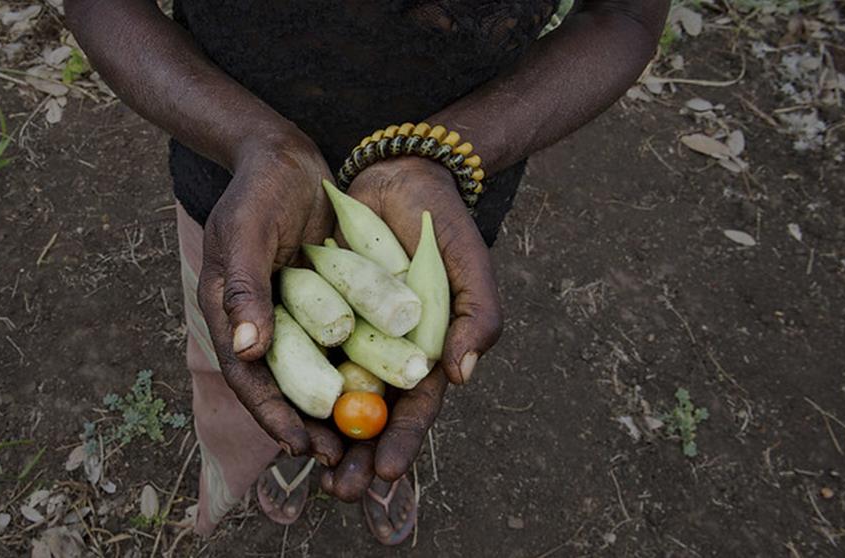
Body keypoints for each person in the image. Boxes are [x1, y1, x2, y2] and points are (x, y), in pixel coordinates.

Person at [65, 0, 668, 545]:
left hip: (435, 202)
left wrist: (447, 152)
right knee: (243, 353)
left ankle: (352, 457)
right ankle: (279, 453)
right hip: (244, 196)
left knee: (415, 370)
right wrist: (252, 140)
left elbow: (623, 16)